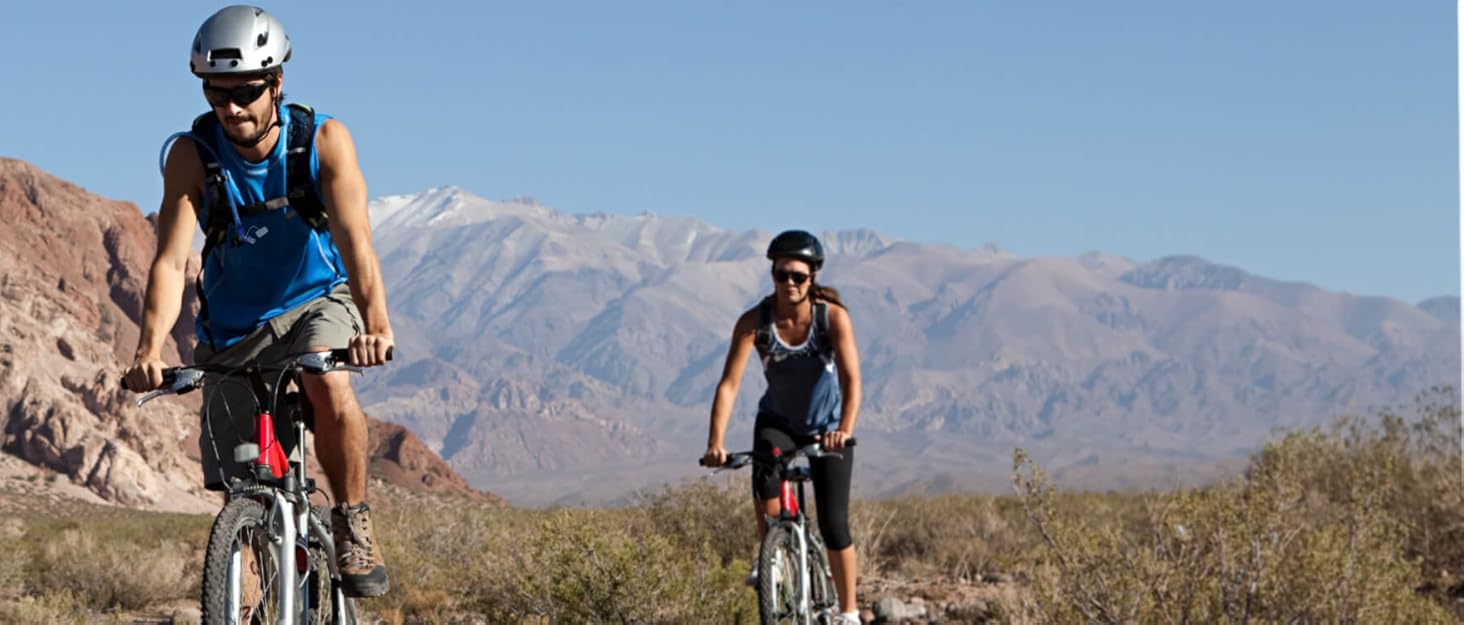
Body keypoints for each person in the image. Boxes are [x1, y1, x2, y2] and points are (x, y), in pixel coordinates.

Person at [123, 5, 393, 598]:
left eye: (246, 92)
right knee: (242, 495)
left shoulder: (322, 141)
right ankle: (238, 606)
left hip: (313, 299)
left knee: (329, 383)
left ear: (276, 82)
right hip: (233, 325)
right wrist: (148, 349)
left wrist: (375, 324)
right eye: (218, 95)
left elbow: (355, 240)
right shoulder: (193, 156)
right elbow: (171, 260)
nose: (233, 108)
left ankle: (351, 518)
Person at [703, 230, 863, 624]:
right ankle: (771, 555)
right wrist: (716, 443)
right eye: (781, 275)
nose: (789, 283)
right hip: (778, 422)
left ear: (812, 279)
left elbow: (851, 379)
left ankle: (848, 612)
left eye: (798, 276)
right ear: (772, 274)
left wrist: (843, 428)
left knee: (834, 523)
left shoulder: (831, 318)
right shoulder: (754, 323)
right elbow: (729, 384)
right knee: (765, 484)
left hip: (826, 428)